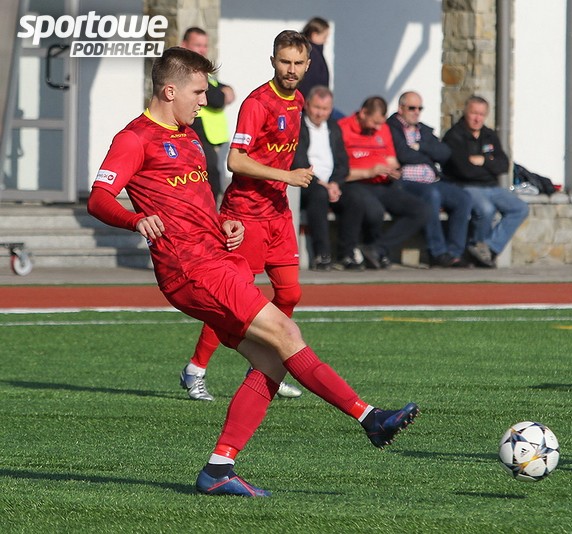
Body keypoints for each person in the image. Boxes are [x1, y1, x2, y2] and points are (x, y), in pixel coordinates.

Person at [87, 45, 419, 497]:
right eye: (198, 92)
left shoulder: (188, 136)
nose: (205, 101)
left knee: (271, 361)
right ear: (170, 91)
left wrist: (223, 224)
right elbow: (99, 197)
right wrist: (135, 220)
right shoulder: (135, 138)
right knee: (286, 332)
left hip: (214, 258)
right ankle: (370, 418)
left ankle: (218, 469)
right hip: (191, 268)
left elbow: (193, 202)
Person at [178, 30, 315, 402]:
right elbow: (235, 161)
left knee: (290, 292)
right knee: (232, 300)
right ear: (273, 62)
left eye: (297, 63)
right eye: (284, 62)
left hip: (277, 213)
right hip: (245, 215)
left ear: (307, 65)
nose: (291, 69)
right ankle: (195, 369)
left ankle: (265, 366)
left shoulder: (298, 99)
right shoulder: (257, 103)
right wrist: (287, 176)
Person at [338, 96, 428, 269]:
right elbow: (339, 171)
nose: (378, 128)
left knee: (420, 210)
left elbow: (392, 160)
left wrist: (392, 170)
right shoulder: (343, 128)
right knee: (374, 211)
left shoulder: (383, 129)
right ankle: (357, 252)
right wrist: (369, 171)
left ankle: (377, 249)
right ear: (363, 113)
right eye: (374, 122)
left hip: (382, 183)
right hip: (355, 183)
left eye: (381, 123)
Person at [441, 95, 528, 268]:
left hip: (491, 186)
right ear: (465, 112)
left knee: (520, 208)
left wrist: (483, 161)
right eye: (474, 113)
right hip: (465, 186)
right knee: (486, 210)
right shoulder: (454, 136)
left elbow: (504, 165)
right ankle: (476, 246)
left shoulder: (489, 135)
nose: (477, 118)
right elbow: (463, 170)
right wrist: (489, 166)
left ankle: (488, 248)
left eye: (481, 114)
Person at [387, 91, 471, 267]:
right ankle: (437, 252)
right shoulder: (392, 128)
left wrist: (420, 147)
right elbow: (402, 154)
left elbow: (444, 153)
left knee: (463, 197)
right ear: (401, 108)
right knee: (432, 195)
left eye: (420, 108)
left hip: (432, 181)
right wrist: (428, 155)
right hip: (406, 182)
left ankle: (454, 253)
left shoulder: (423, 130)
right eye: (412, 108)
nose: (416, 112)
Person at [293, 85, 360, 271]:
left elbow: (343, 163)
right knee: (319, 195)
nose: (319, 113)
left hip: (331, 183)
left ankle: (347, 254)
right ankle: (322, 254)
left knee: (355, 198)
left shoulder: (333, 127)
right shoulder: (298, 126)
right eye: (316, 107)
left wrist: (335, 183)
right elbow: (298, 161)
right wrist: (322, 184)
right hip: (307, 182)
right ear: (307, 105)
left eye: (325, 109)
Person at [180, 27, 235, 202]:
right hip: (196, 129)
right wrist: (223, 94)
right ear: (184, 45)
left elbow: (217, 86)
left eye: (205, 46)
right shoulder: (187, 70)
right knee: (210, 177)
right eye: (197, 45)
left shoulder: (201, 70)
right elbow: (217, 99)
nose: (202, 50)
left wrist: (226, 88)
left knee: (211, 176)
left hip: (210, 135)